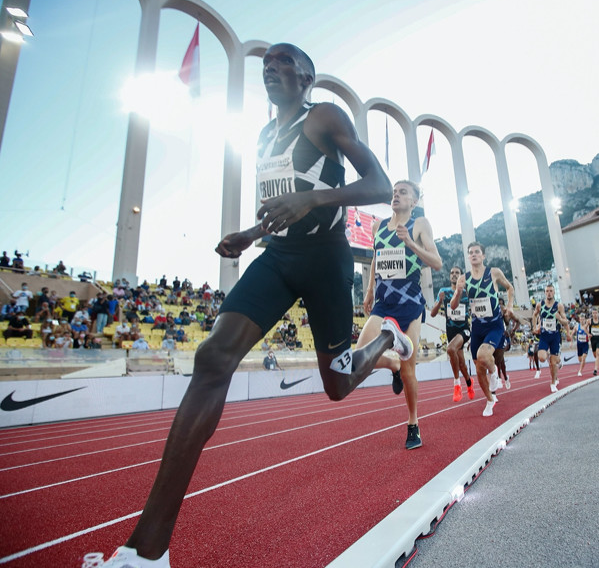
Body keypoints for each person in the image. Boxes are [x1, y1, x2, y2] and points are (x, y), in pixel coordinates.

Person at [86, 43, 398, 568]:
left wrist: (314, 199)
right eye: (265, 64)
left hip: (326, 257)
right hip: (277, 256)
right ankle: (147, 551)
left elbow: (380, 185)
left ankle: (386, 336)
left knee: (337, 385)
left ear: (307, 76)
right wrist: (250, 234)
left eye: (283, 62)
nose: (271, 68)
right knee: (212, 357)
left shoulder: (324, 117)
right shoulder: (263, 136)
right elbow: (279, 207)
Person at [357, 179, 442, 449]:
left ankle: (413, 423)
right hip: (384, 302)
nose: (396, 195)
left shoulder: (419, 224)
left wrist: (411, 243)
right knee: (359, 360)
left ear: (414, 201)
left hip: (410, 303)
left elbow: (437, 263)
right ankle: (392, 364)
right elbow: (375, 258)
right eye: (394, 192)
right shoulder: (378, 226)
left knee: (409, 371)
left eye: (403, 192)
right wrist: (369, 290)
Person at [452, 242, 514, 417]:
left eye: (477, 252)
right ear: (468, 256)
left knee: (484, 355)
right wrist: (458, 292)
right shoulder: (463, 279)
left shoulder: (493, 273)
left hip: (494, 325)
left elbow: (510, 287)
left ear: (483, 255)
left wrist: (510, 306)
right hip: (477, 327)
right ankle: (489, 400)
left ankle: (494, 373)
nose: (473, 254)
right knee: (479, 369)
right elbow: (454, 306)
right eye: (470, 252)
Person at [430, 266, 474, 402]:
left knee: (450, 349)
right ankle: (469, 382)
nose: (454, 275)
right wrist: (440, 302)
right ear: (449, 276)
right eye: (452, 273)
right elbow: (432, 314)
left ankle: (457, 384)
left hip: (464, 329)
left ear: (462, 276)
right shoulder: (443, 292)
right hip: (451, 331)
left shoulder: (467, 292)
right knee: (462, 364)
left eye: (457, 273)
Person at [532, 284, 571, 392]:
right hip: (544, 336)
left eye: (551, 291)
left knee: (553, 363)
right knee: (542, 358)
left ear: (554, 292)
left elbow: (565, 322)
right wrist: (535, 327)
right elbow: (534, 315)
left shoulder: (559, 306)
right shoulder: (540, 305)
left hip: (555, 337)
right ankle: (554, 358)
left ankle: (553, 383)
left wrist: (567, 332)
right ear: (545, 293)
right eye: (547, 291)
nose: (549, 293)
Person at [588, 308, 599, 376]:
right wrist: (588, 333)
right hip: (593, 340)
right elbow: (584, 327)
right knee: (595, 355)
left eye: (596, 313)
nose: (595, 314)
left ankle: (595, 370)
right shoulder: (589, 321)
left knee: (598, 354)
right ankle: (597, 361)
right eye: (593, 313)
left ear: (598, 314)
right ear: (592, 314)